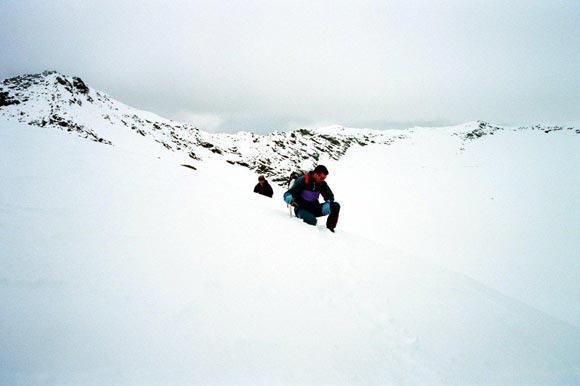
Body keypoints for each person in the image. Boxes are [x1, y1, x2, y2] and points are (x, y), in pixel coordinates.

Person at [283, 165, 340, 232]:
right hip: (301, 208)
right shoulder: (303, 180)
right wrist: (287, 196)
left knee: (336, 206)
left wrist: (328, 202)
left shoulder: (322, 183)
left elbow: (330, 195)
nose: (323, 180)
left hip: (314, 208)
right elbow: (289, 193)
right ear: (316, 174)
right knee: (312, 221)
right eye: (321, 178)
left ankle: (330, 229)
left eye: (324, 178)